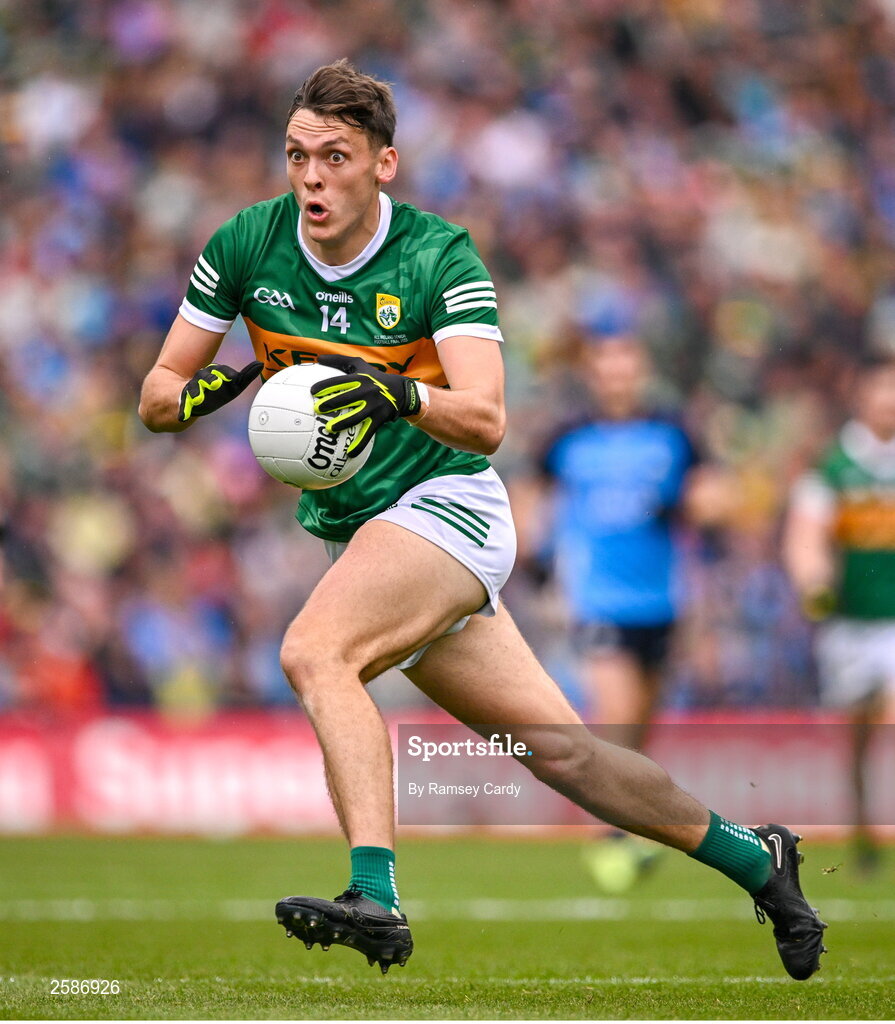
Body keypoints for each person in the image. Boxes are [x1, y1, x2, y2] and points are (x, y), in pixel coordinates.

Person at [139, 60, 827, 979]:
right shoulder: (245, 243)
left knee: (315, 652)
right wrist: (212, 394)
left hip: (448, 506)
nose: (310, 177)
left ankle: (373, 893)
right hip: (369, 533)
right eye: (297, 155)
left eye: (334, 157)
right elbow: (154, 395)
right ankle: (757, 860)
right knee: (567, 757)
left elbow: (488, 416)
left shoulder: (438, 254)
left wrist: (396, 395)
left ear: (384, 163)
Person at [534, 330, 716, 891]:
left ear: (640, 372)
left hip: (661, 604)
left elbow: (717, 497)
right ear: (593, 373)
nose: (617, 376)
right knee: (612, 724)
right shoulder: (567, 438)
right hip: (599, 603)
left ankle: (632, 830)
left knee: (638, 732)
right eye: (606, 366)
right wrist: (540, 560)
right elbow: (532, 497)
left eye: (626, 365)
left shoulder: (673, 434)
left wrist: (688, 504)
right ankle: (609, 839)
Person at [784, 353, 895, 874]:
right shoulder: (834, 464)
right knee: (858, 736)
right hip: (849, 623)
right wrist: (813, 580)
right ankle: (863, 833)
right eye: (882, 389)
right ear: (862, 395)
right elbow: (805, 536)